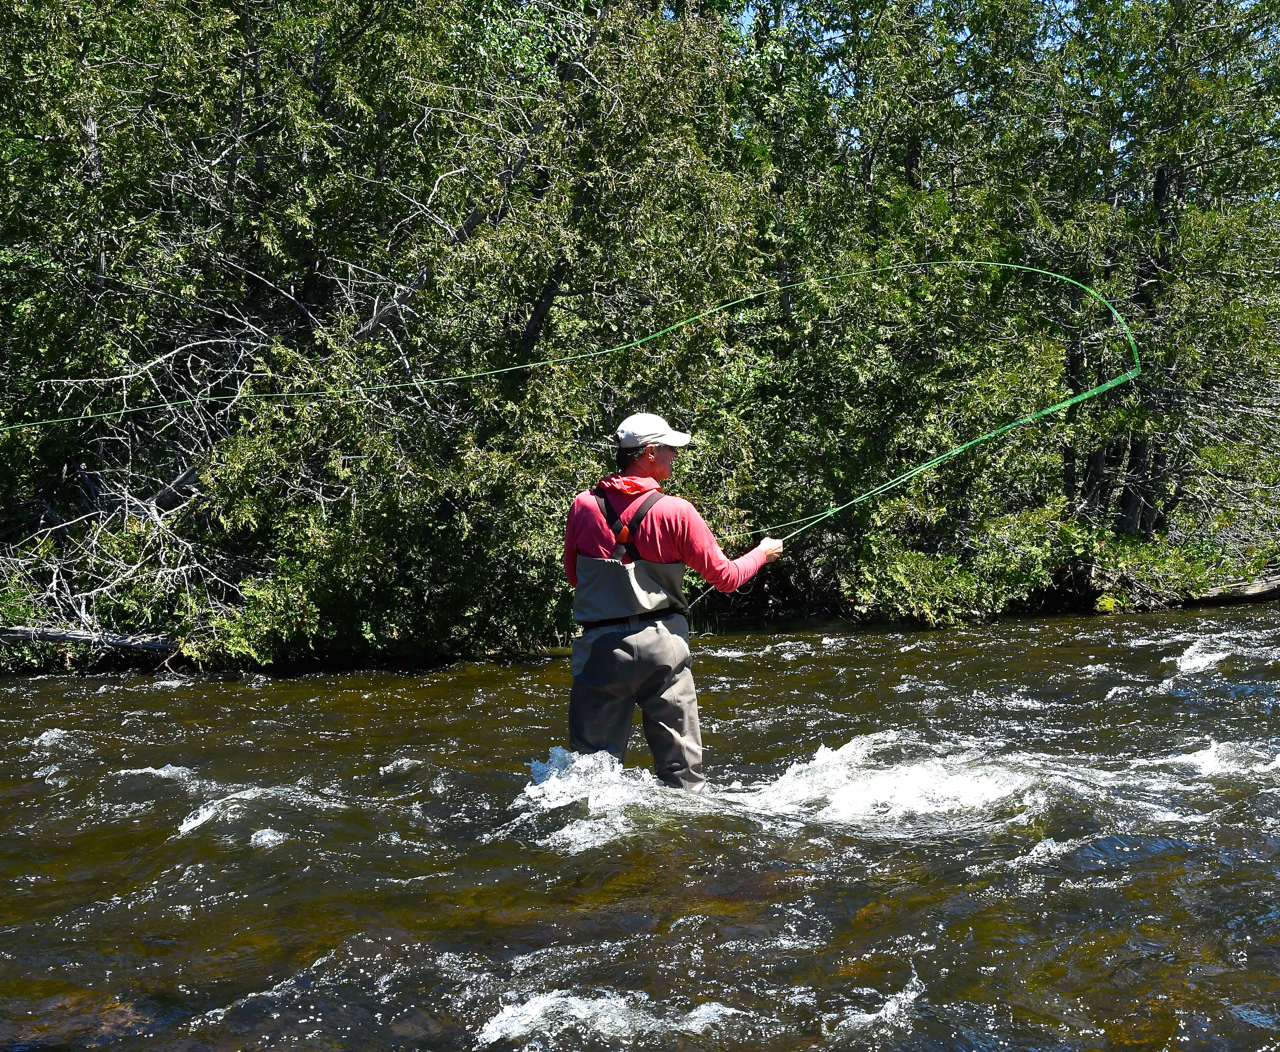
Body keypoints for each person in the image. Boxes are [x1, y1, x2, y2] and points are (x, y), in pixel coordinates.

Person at [562, 412, 783, 791]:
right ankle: (685, 839)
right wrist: (762, 554)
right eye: (669, 449)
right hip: (664, 646)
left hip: (600, 648)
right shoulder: (676, 510)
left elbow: (574, 576)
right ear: (648, 453)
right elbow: (725, 578)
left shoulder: (583, 505)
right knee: (684, 779)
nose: (674, 457)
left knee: (588, 777)